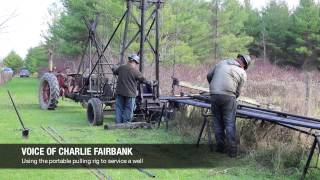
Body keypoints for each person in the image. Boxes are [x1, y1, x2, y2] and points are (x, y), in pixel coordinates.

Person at [206, 54, 251, 157]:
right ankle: (232, 151)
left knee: (217, 121)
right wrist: (232, 96)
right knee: (229, 123)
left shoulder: (221, 63)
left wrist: (215, 89)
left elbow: (209, 76)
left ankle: (220, 148)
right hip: (229, 96)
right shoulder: (242, 72)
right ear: (244, 64)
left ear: (238, 59)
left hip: (214, 95)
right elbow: (238, 91)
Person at [112, 54, 150, 124]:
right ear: (134, 62)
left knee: (119, 108)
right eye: (136, 63)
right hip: (130, 94)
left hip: (119, 93)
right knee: (129, 109)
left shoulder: (121, 68)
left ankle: (118, 123)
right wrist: (149, 82)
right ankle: (125, 124)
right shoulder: (135, 71)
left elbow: (115, 71)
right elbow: (143, 80)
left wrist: (114, 67)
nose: (136, 65)